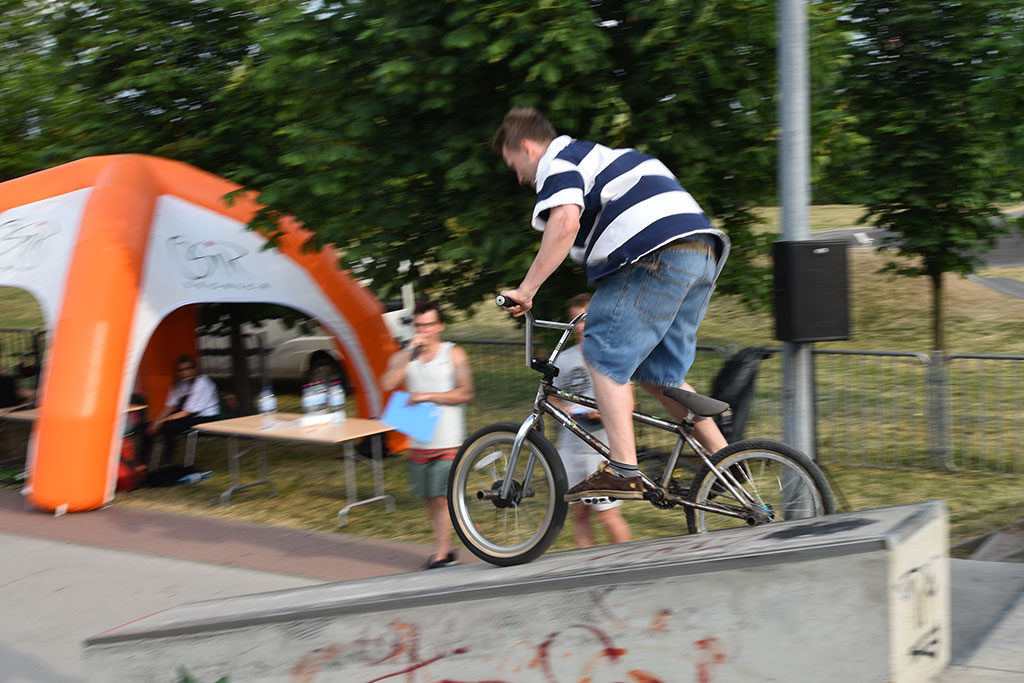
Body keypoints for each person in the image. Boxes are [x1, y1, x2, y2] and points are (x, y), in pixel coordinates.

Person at [494, 107, 731, 503]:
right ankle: (728, 465)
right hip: (699, 252)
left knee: (601, 346)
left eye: (513, 163)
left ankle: (623, 470)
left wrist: (527, 288)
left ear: (528, 147)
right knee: (661, 377)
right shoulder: (599, 158)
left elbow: (565, 222)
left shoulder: (560, 161)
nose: (518, 176)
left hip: (656, 253)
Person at [381, 301, 475, 569]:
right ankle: (446, 547)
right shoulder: (407, 355)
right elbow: (387, 382)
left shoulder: (453, 353)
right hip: (419, 437)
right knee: (428, 499)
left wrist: (427, 396)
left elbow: (466, 392)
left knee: (440, 496)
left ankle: (442, 554)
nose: (425, 331)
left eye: (430, 325)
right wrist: (408, 352)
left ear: (440, 326)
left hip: (449, 439)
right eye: (420, 325)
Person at [553, 293, 632, 547]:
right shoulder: (564, 358)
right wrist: (565, 408)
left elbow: (629, 401)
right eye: (575, 319)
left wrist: (605, 412)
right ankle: (586, 567)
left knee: (609, 516)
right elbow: (551, 396)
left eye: (585, 318)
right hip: (571, 448)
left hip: (602, 449)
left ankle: (629, 563)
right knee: (580, 514)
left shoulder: (612, 353)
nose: (580, 326)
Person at [142, 355, 220, 465]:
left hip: (205, 416)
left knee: (168, 426)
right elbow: (171, 406)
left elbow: (188, 412)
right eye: (181, 370)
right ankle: (142, 463)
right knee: (148, 426)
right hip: (188, 414)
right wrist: (156, 421)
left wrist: (161, 422)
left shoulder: (202, 383)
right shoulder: (179, 384)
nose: (185, 372)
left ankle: (168, 462)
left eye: (188, 369)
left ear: (195, 369)